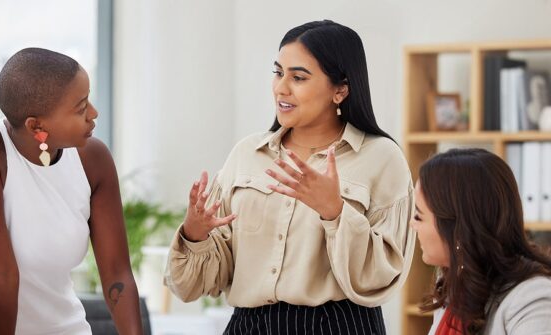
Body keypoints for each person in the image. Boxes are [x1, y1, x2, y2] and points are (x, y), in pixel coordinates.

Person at [165, 20, 415, 334]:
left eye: (298, 77)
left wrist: (335, 212)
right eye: (278, 72)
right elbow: (195, 286)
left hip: (338, 326)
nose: (281, 87)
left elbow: (382, 277)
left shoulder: (381, 157)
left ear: (340, 89)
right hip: (248, 326)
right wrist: (195, 234)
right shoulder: (246, 155)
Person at [0, 48, 143, 334]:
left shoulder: (93, 159)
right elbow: (2, 275)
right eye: (81, 107)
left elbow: (116, 273)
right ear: (37, 126)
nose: (93, 114)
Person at [412, 148, 551, 334]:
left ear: (458, 228)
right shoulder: (456, 284)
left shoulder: (532, 298)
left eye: (419, 216)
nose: (411, 224)